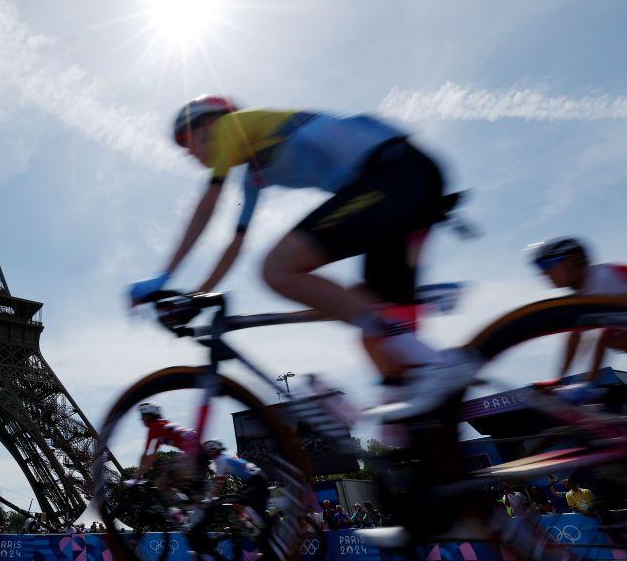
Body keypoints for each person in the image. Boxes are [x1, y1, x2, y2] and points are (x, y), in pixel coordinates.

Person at [129, 98, 479, 420]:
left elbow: (207, 207)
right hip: (397, 182)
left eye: (186, 140)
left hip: (393, 174)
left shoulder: (230, 126)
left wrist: (163, 275)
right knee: (379, 340)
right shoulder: (253, 176)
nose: (188, 153)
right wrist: (196, 296)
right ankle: (427, 423)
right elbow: (234, 243)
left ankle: (436, 363)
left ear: (207, 124)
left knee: (278, 269)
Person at [529, 237, 627, 382]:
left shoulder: (604, 277)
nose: (544, 274)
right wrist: (561, 380)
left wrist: (589, 383)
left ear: (570, 261)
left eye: (546, 265)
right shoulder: (584, 293)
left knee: (604, 335)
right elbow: (575, 337)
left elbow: (597, 337)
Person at [203, 439, 268, 528]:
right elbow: (222, 481)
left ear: (213, 450)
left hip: (255, 480)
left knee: (237, 502)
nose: (206, 454)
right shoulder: (225, 457)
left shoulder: (220, 461)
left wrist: (208, 499)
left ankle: (258, 526)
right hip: (258, 477)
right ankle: (256, 525)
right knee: (251, 507)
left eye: (207, 451)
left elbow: (219, 484)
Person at [133, 402, 199, 481]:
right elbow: (147, 455)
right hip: (196, 451)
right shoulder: (162, 423)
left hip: (193, 454)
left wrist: (138, 475)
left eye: (142, 416)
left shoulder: (155, 427)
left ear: (149, 416)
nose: (141, 419)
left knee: (161, 483)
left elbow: (149, 457)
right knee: (168, 470)